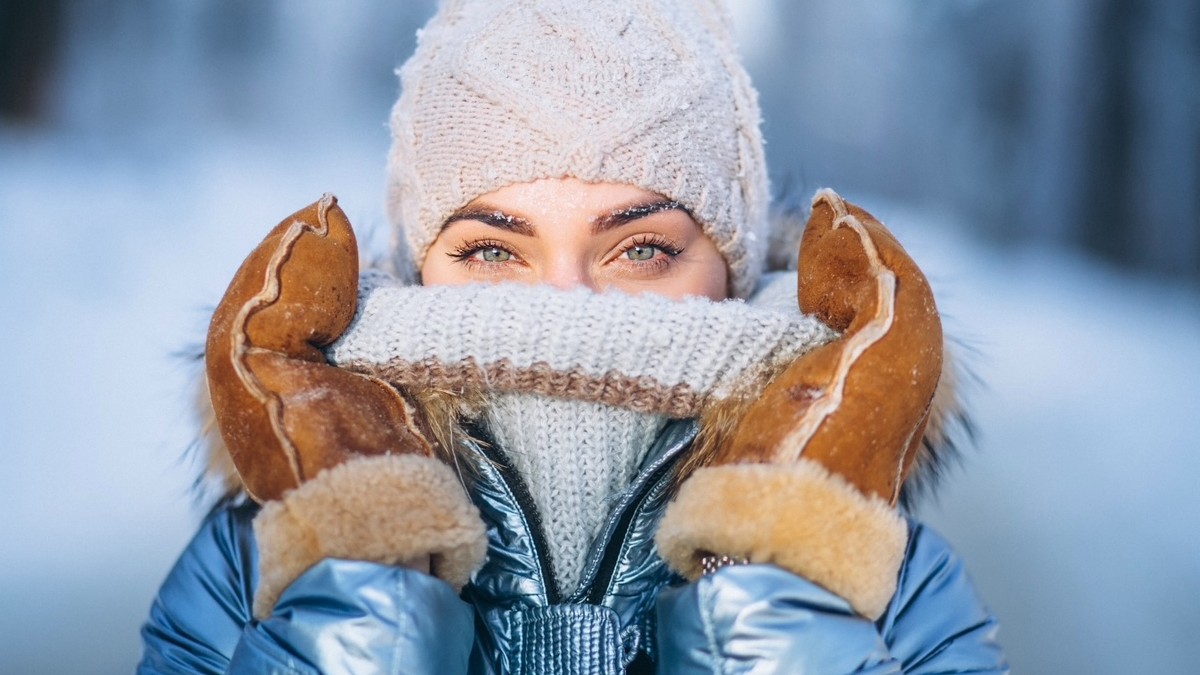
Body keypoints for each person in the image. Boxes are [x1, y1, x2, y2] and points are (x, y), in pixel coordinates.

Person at [138, 0, 1009, 673]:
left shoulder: (881, 575)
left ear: (734, 269)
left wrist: (783, 595)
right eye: (491, 248)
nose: (565, 304)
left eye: (639, 249)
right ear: (416, 263)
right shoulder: (260, 561)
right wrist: (358, 604)